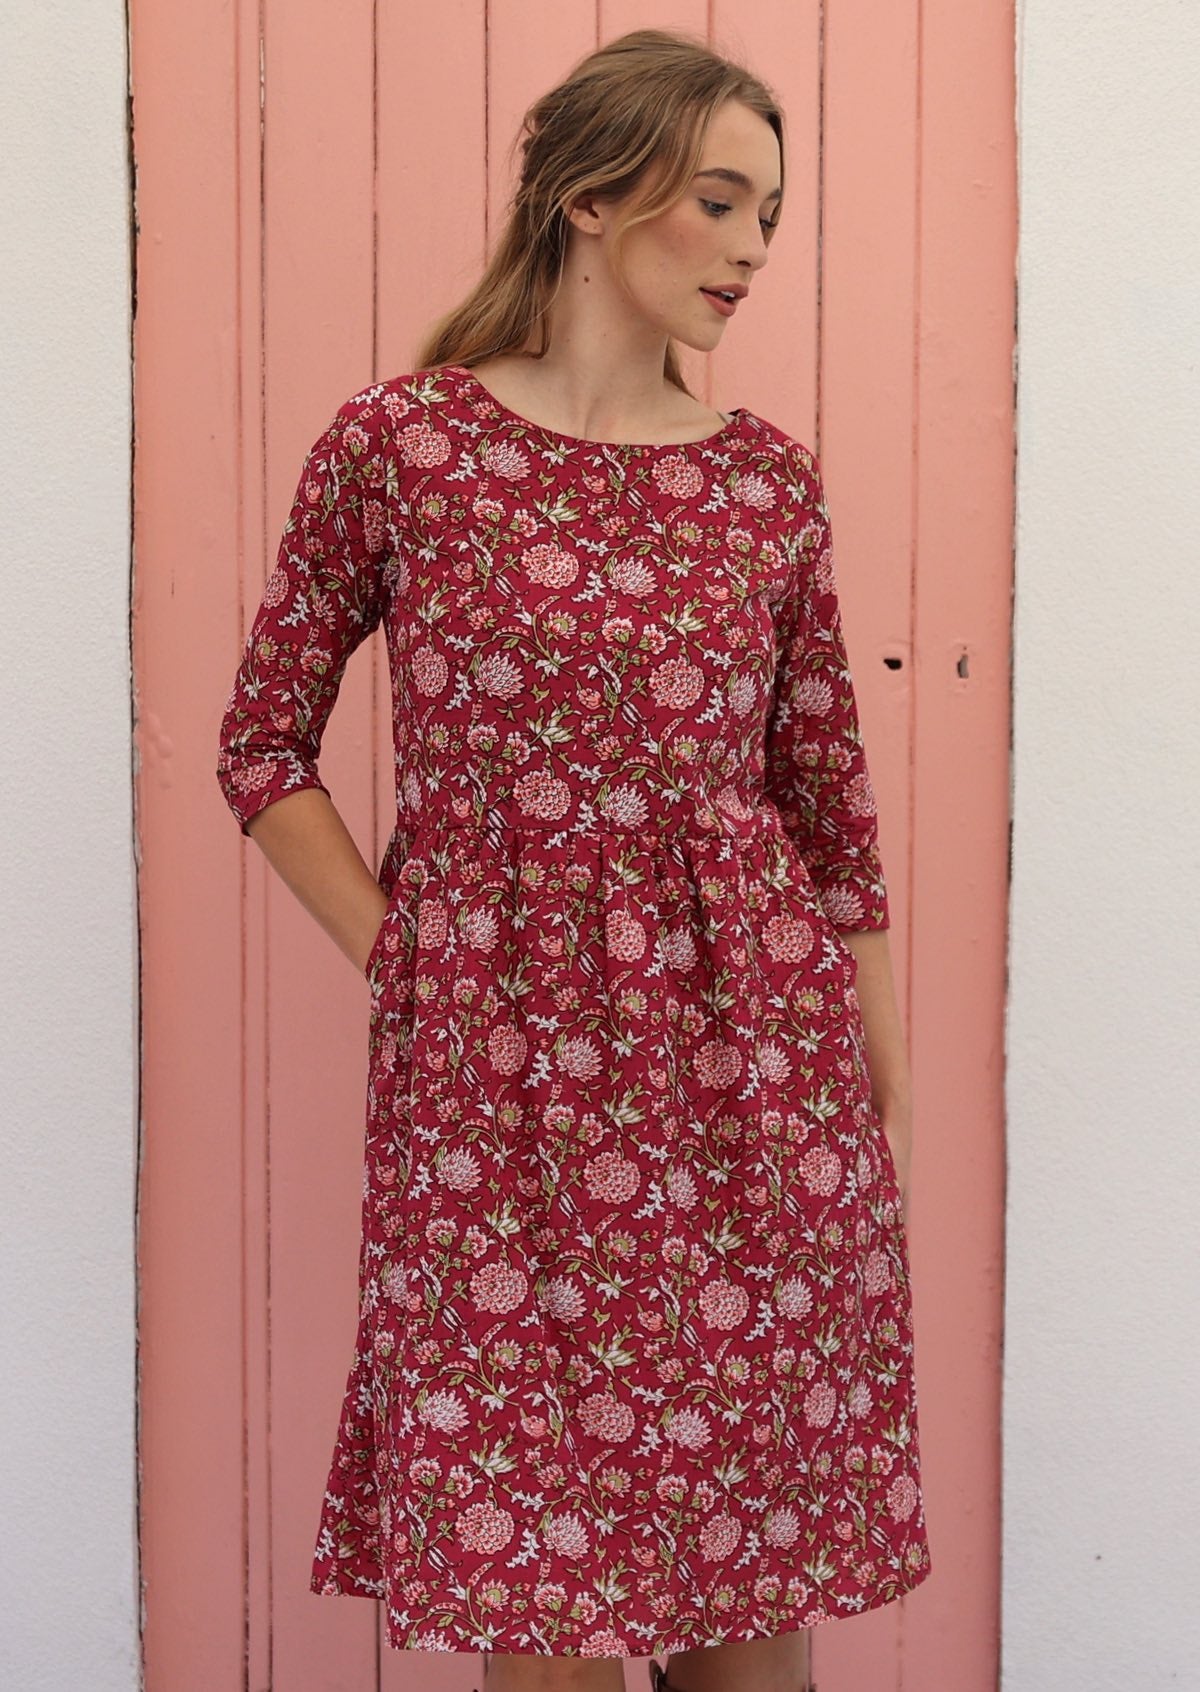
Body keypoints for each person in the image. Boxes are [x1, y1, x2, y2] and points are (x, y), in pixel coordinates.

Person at [216, 25, 931, 1692]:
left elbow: (830, 819)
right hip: (496, 1106)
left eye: (776, 208)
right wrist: (410, 961)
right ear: (591, 199)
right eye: (722, 201)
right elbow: (260, 746)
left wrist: (872, 1082)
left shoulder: (765, 489)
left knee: (754, 1628)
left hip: (759, 1101)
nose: (759, 246)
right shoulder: (404, 449)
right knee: (536, 1611)